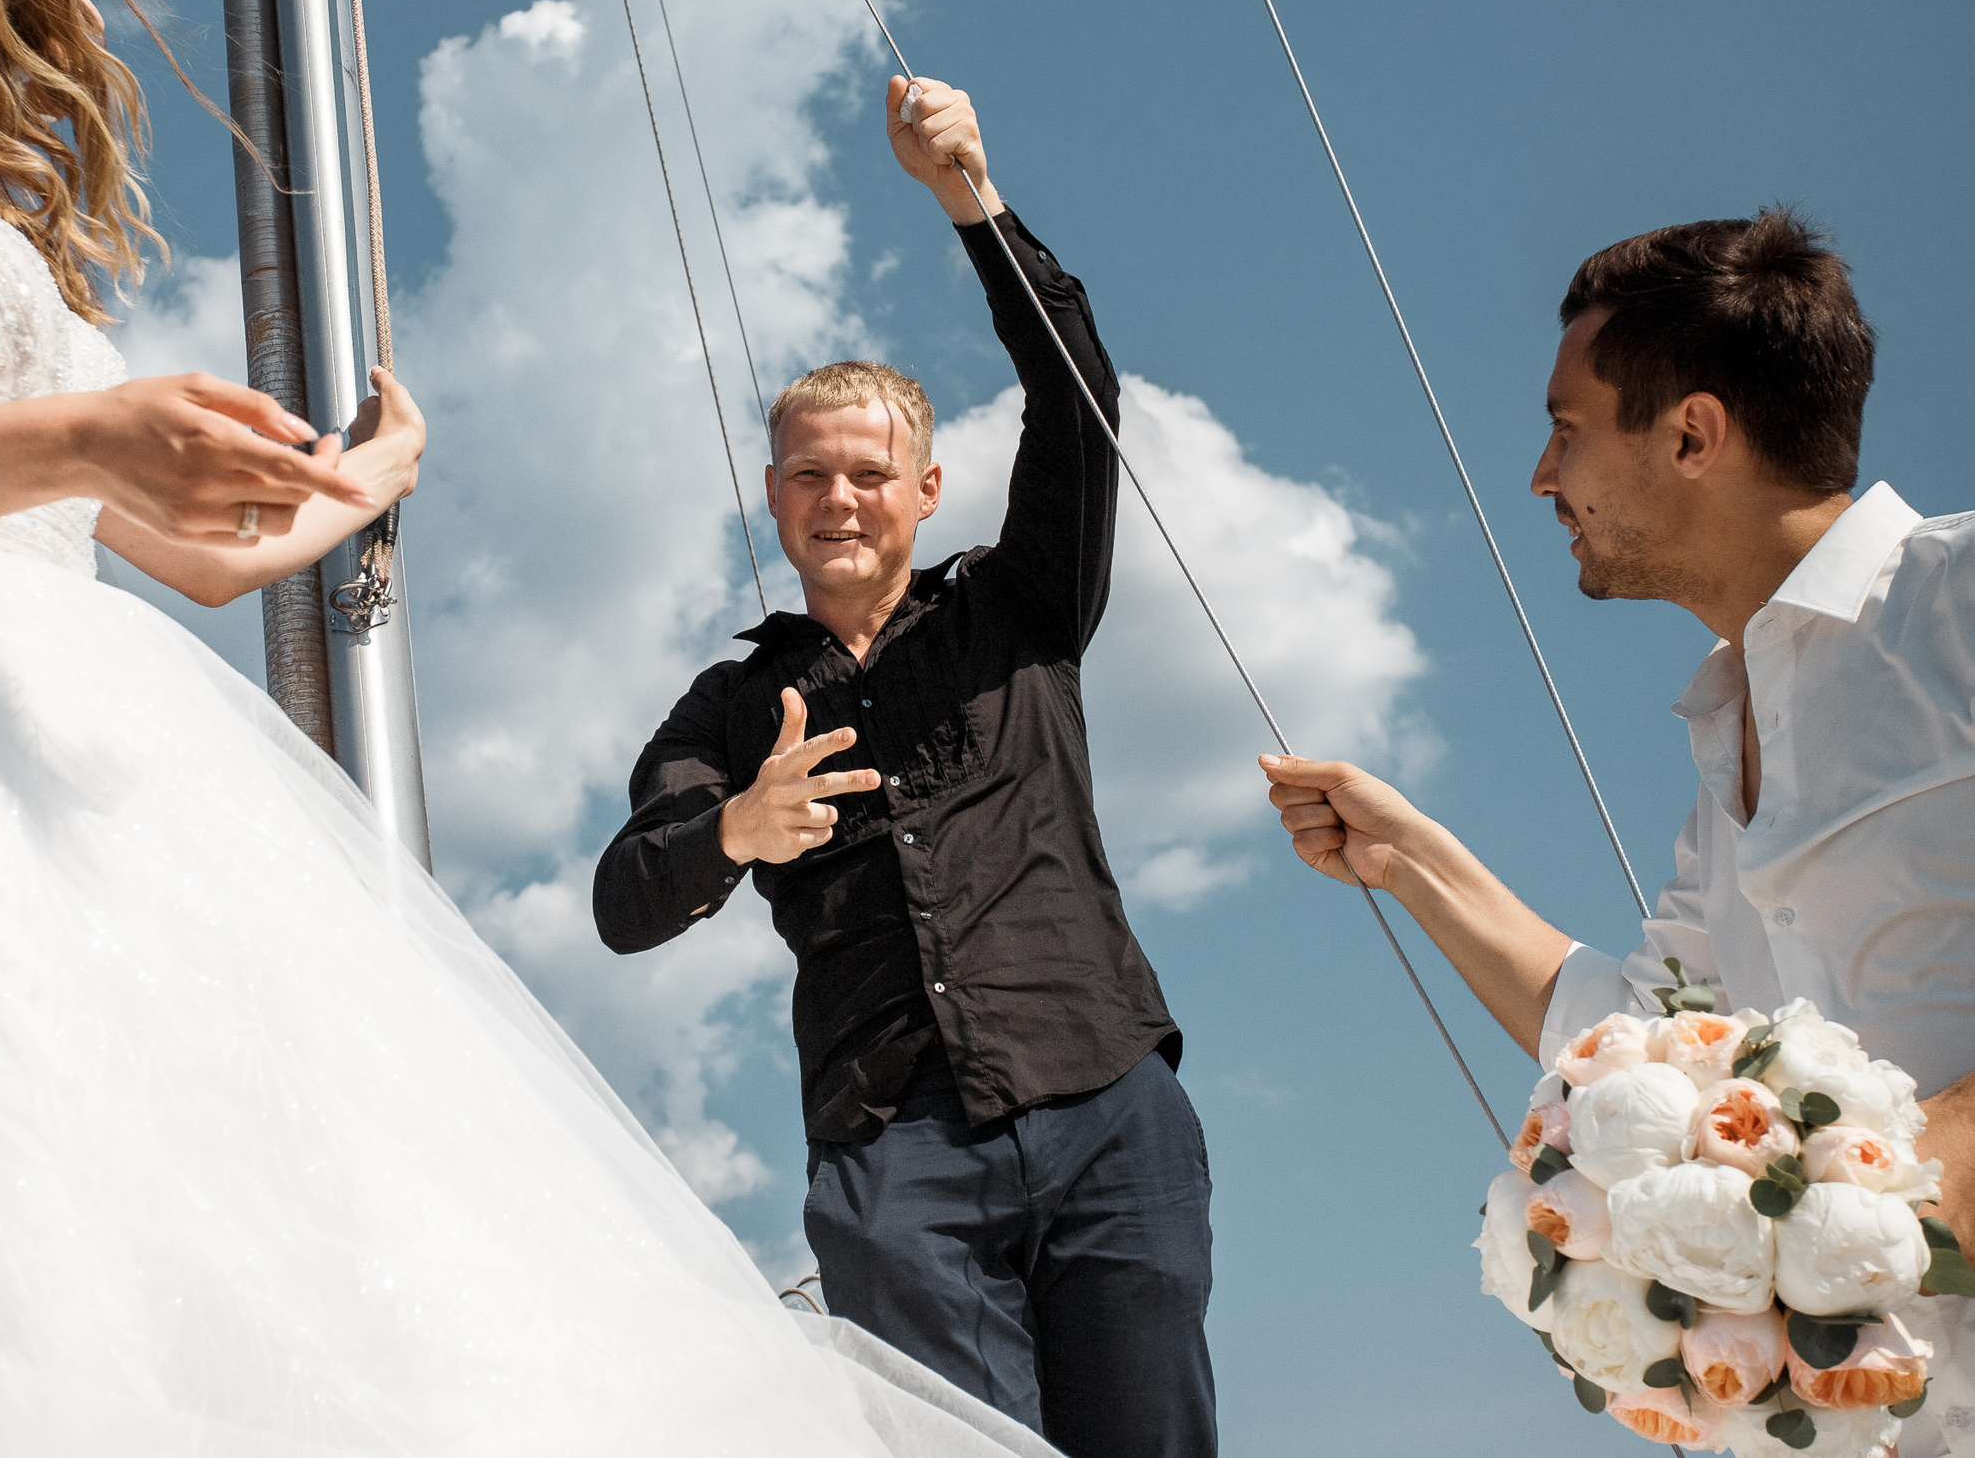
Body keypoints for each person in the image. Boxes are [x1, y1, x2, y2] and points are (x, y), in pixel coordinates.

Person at [0, 0, 1058, 1453]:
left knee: (216, 1284)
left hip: (91, 777)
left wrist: (355, 482)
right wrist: (72, 433)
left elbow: (186, 552)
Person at [1256, 209, 1975, 1451]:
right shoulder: (1724, 733)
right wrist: (1408, 860)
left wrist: (1921, 1179)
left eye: (1566, 427)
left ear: (1691, 434)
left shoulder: (1957, 601)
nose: (1543, 477)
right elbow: (1635, 1033)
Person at [595, 78, 1217, 1458]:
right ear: (774, 494)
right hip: (892, 1150)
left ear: (925, 491)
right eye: (809, 475)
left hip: (1101, 1096)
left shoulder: (1021, 608)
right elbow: (624, 900)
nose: (840, 498)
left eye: (870, 475)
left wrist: (969, 200)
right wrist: (735, 828)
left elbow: (1078, 399)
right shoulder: (729, 705)